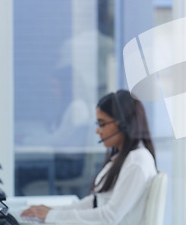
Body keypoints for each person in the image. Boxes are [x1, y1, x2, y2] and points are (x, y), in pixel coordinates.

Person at [21, 90, 157, 224]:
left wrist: (54, 216)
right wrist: (53, 212)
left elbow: (109, 216)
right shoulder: (124, 158)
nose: (97, 131)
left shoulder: (136, 163)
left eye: (102, 124)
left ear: (123, 125)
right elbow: (95, 202)